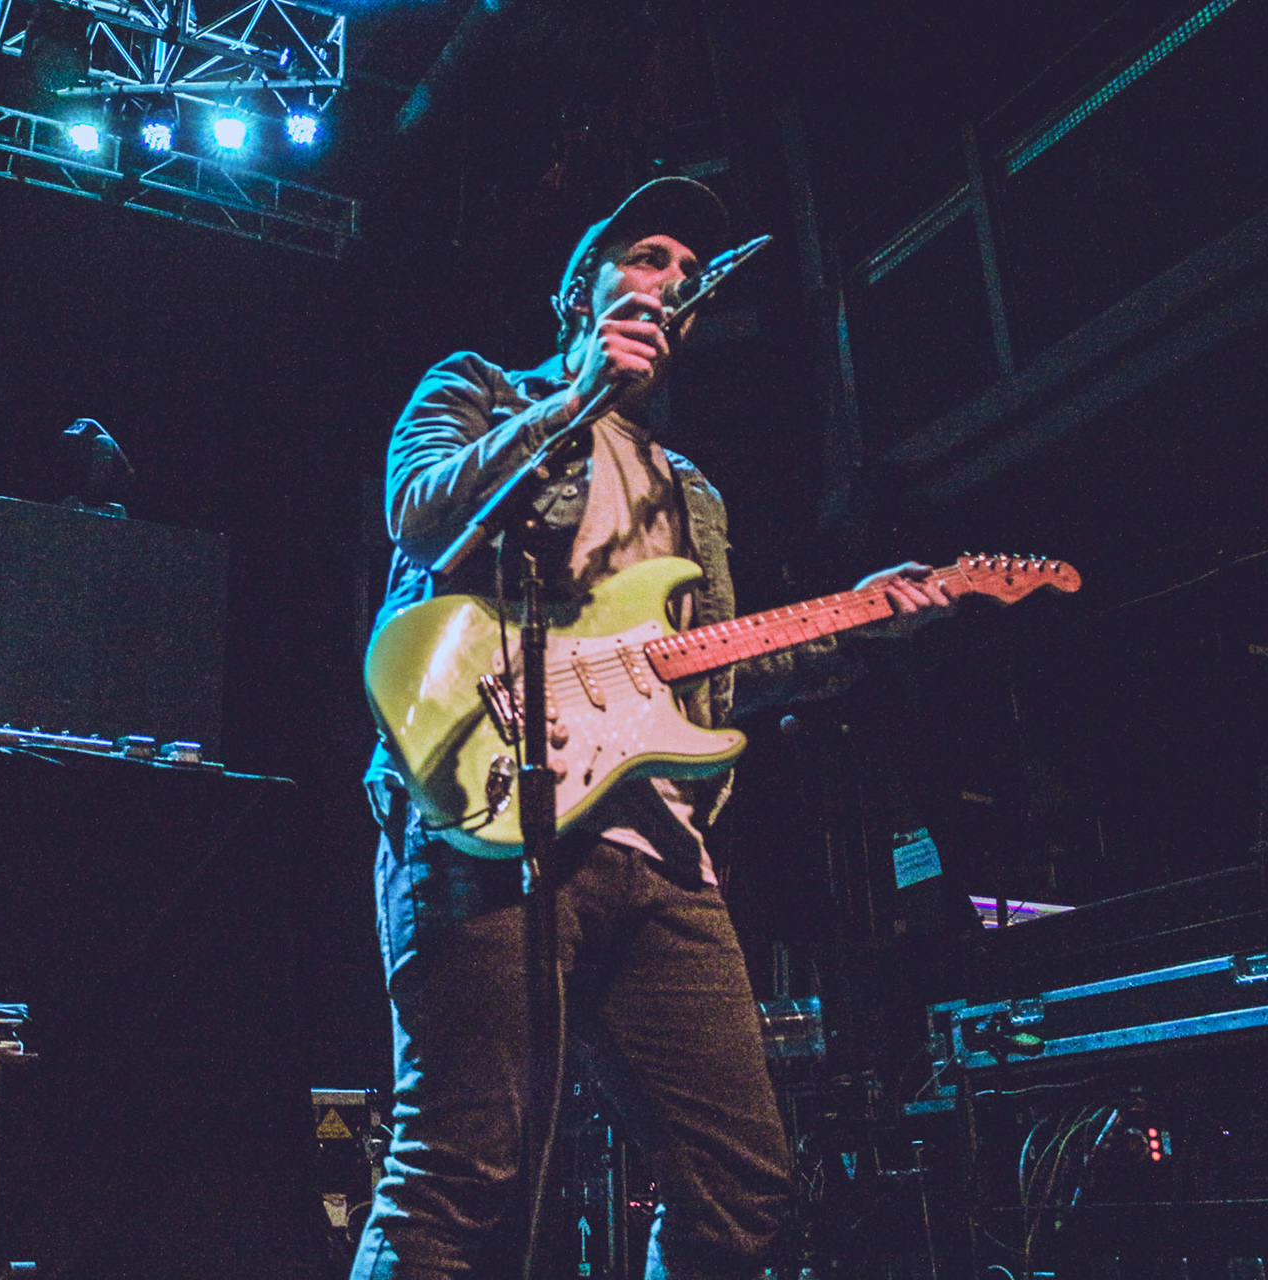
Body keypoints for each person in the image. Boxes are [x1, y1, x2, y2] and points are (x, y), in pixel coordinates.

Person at [354, 177, 950, 1280]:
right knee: (456, 1169)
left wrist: (858, 623)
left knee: (743, 1185)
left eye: (687, 270)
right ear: (579, 290)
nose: (672, 278)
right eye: (647, 254)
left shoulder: (692, 492)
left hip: (663, 853)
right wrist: (576, 397)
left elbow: (708, 673)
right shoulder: (479, 387)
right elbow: (422, 517)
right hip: (488, 810)